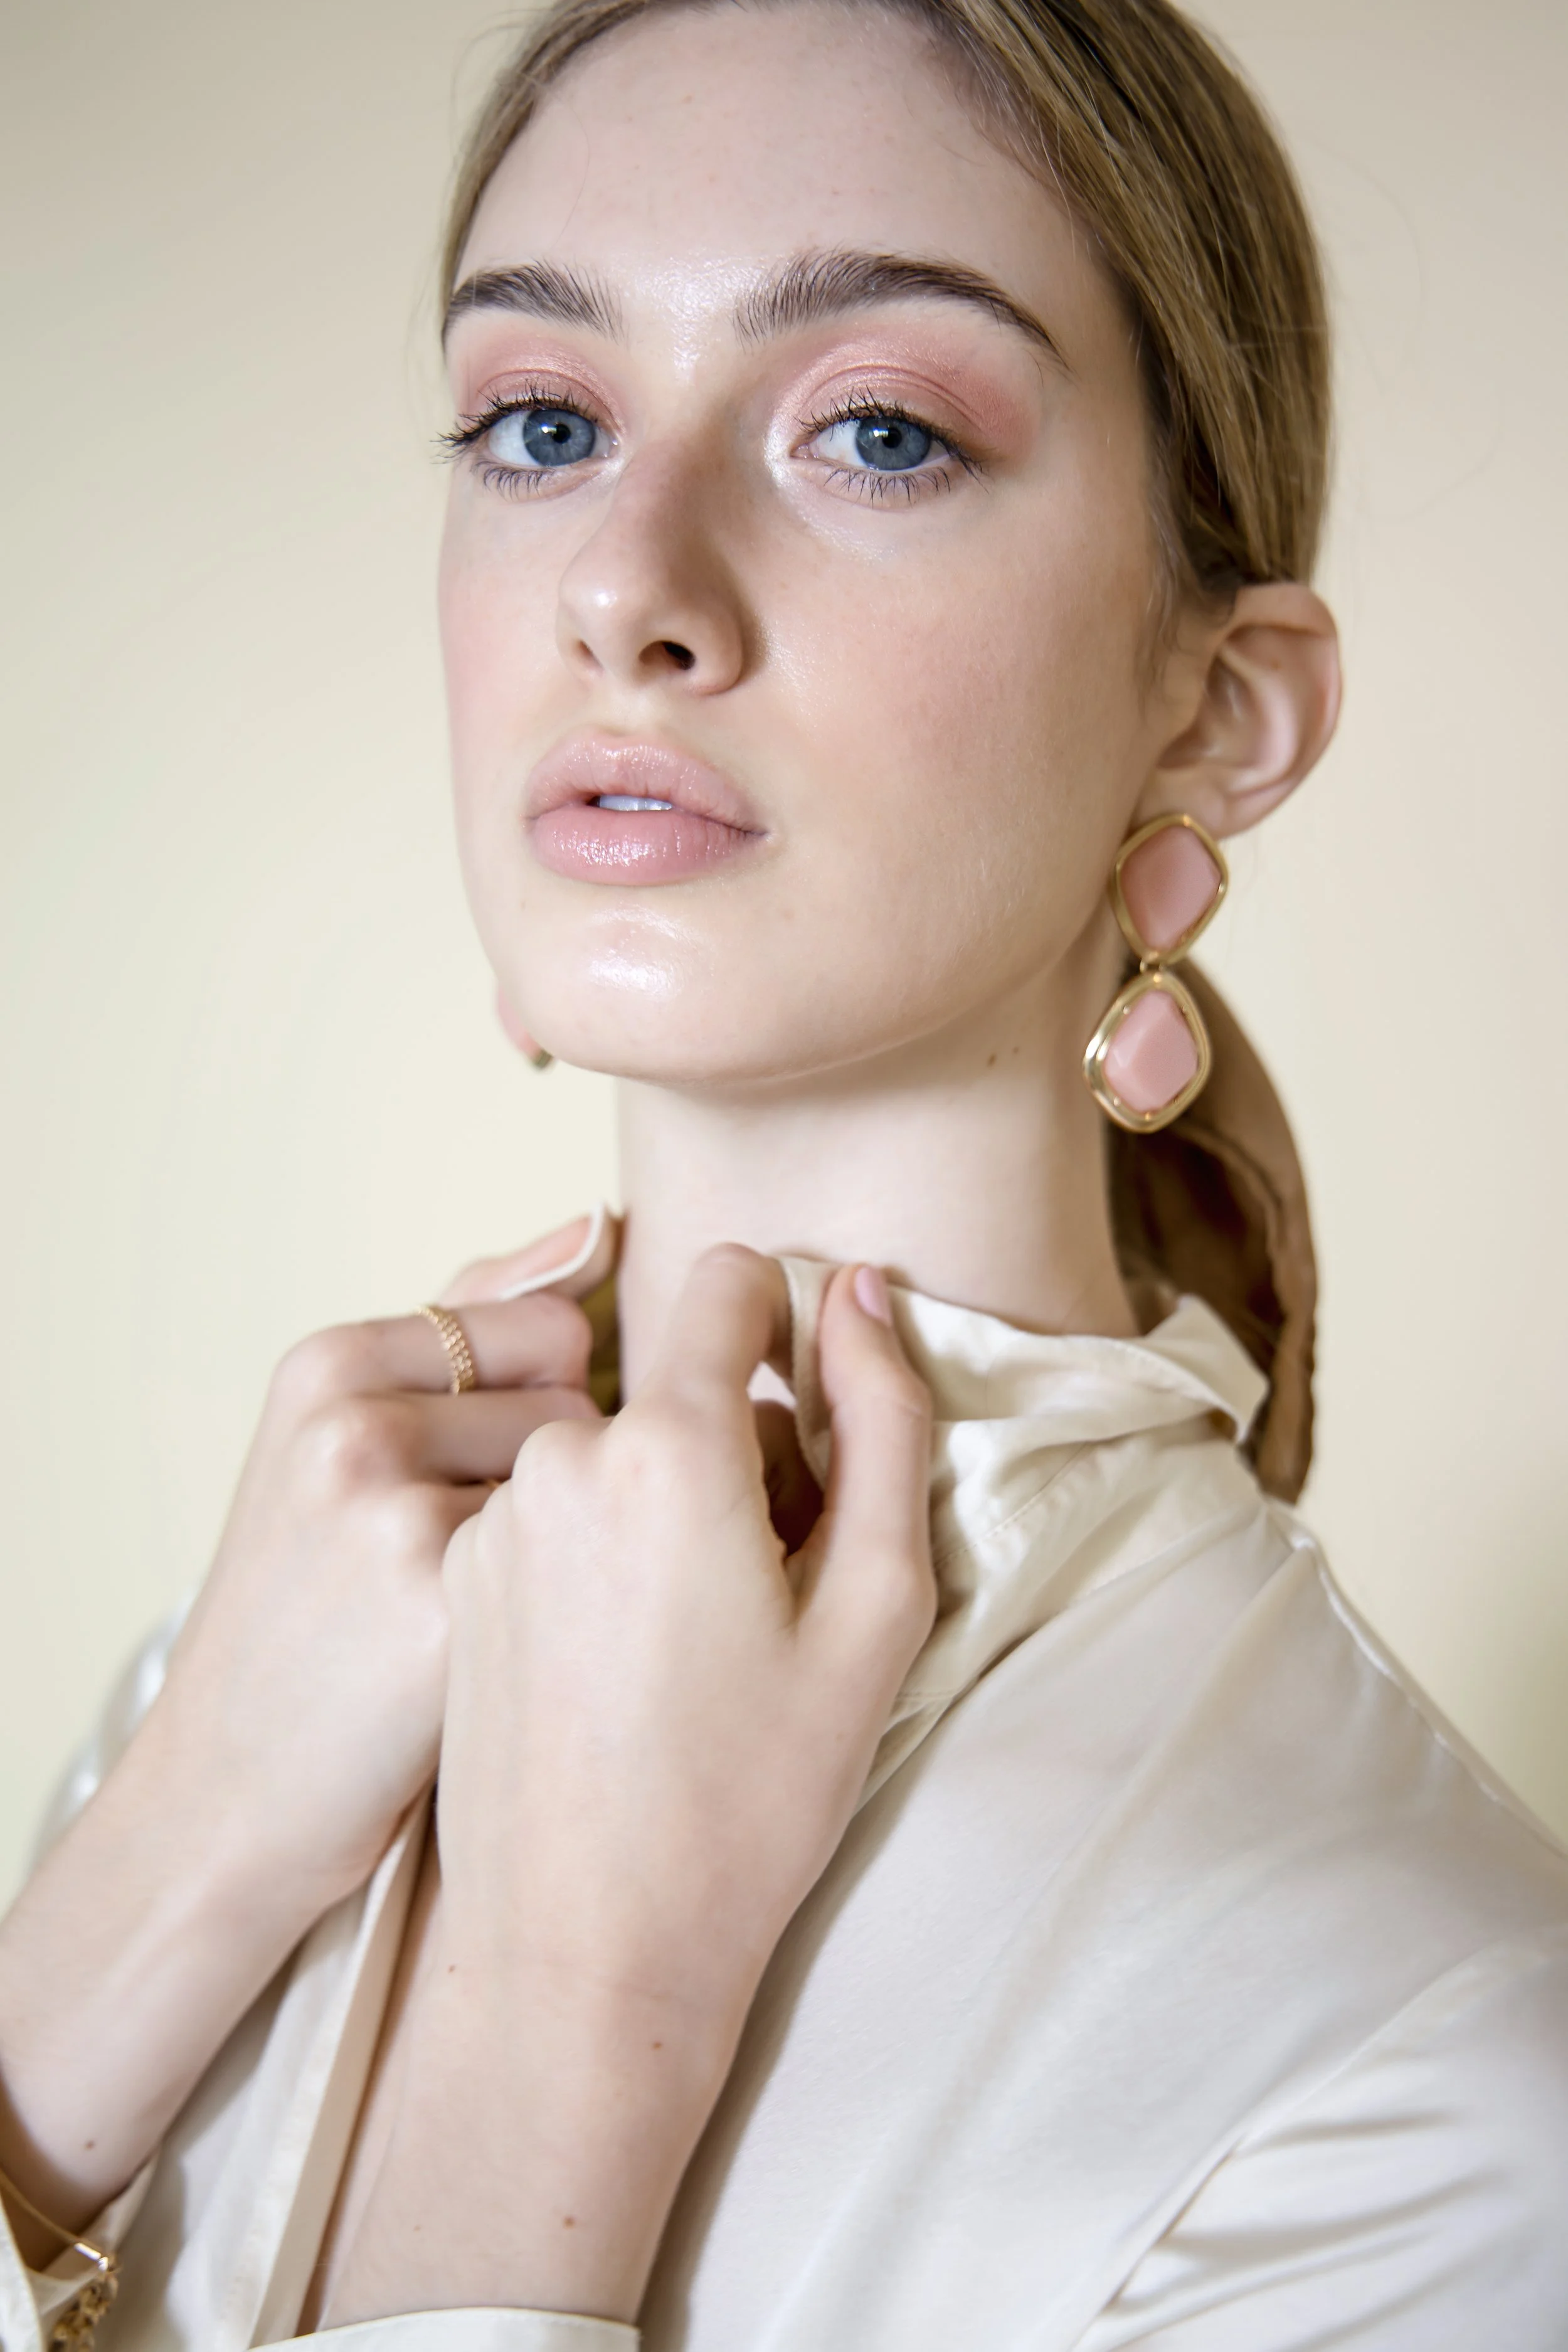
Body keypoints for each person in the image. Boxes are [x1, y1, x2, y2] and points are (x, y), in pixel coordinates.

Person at [3, 0, 1566, 2343]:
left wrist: (562, 2031)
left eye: (876, 431)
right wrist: (144, 1881)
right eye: (543, 424)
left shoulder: (1422, 2093)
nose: (621, 584)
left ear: (1217, 708)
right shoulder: (235, 1677)